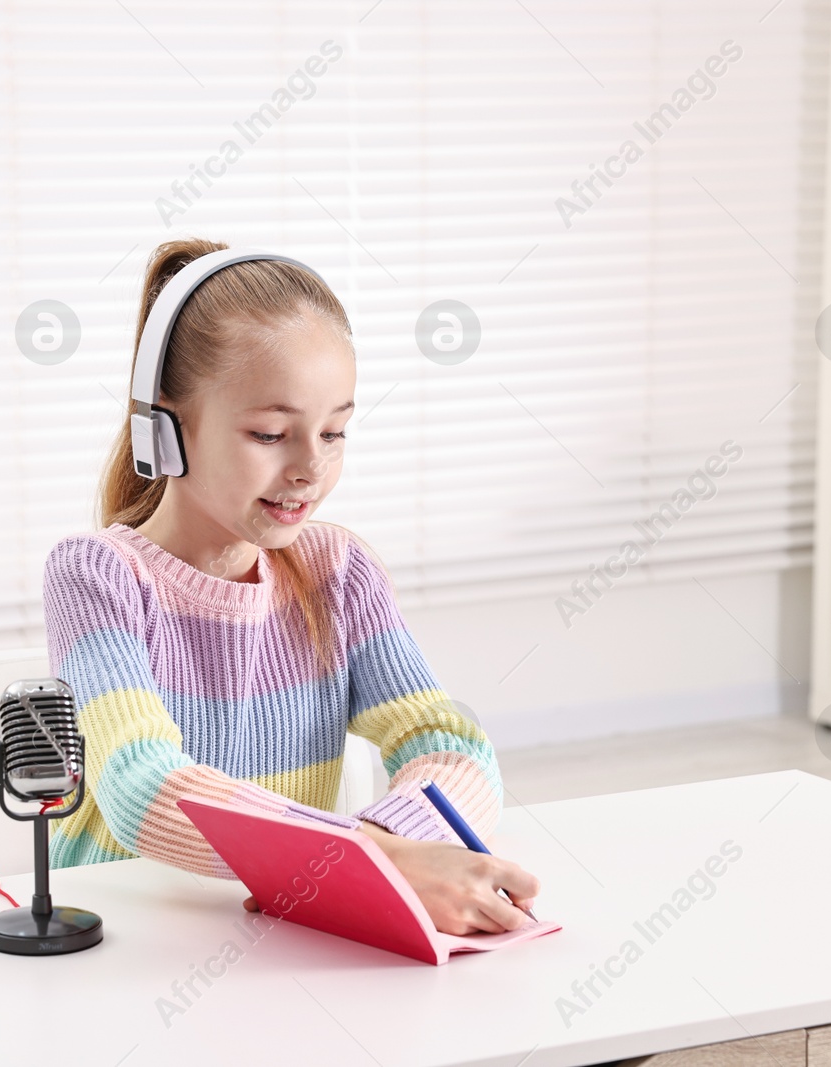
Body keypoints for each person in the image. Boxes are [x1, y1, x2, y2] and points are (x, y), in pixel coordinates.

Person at [41, 237, 539, 936]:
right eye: (272, 433)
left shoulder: (338, 571)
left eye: (334, 432)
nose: (312, 466)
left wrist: (364, 855)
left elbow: (451, 746)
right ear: (165, 426)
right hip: (127, 936)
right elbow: (143, 788)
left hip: (287, 924)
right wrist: (380, 859)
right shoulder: (97, 575)